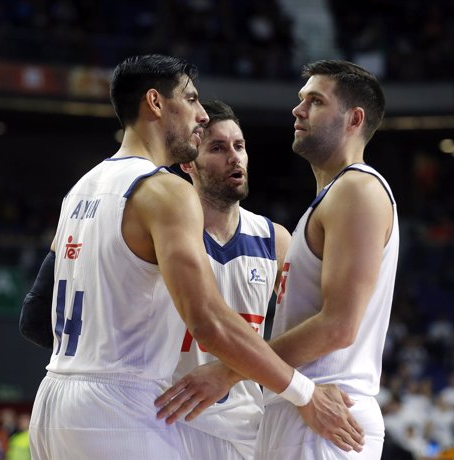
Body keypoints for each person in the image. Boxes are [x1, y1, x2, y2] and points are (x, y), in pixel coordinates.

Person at [19, 54, 363, 459]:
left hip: (56, 398)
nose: (201, 115)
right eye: (192, 99)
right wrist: (305, 394)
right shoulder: (165, 190)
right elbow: (210, 322)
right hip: (122, 403)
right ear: (155, 102)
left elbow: (40, 314)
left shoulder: (81, 188)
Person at [158, 59, 399, 459]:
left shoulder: (357, 189)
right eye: (301, 99)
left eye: (315, 101)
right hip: (287, 409)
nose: (297, 109)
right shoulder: (327, 201)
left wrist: (229, 371)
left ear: (354, 119)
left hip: (324, 411)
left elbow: (340, 326)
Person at [172, 99, 291, 459]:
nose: (234, 157)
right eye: (218, 148)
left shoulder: (276, 240)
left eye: (239, 146)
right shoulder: (166, 234)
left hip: (246, 430)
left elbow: (303, 331)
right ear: (187, 162)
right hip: (169, 422)